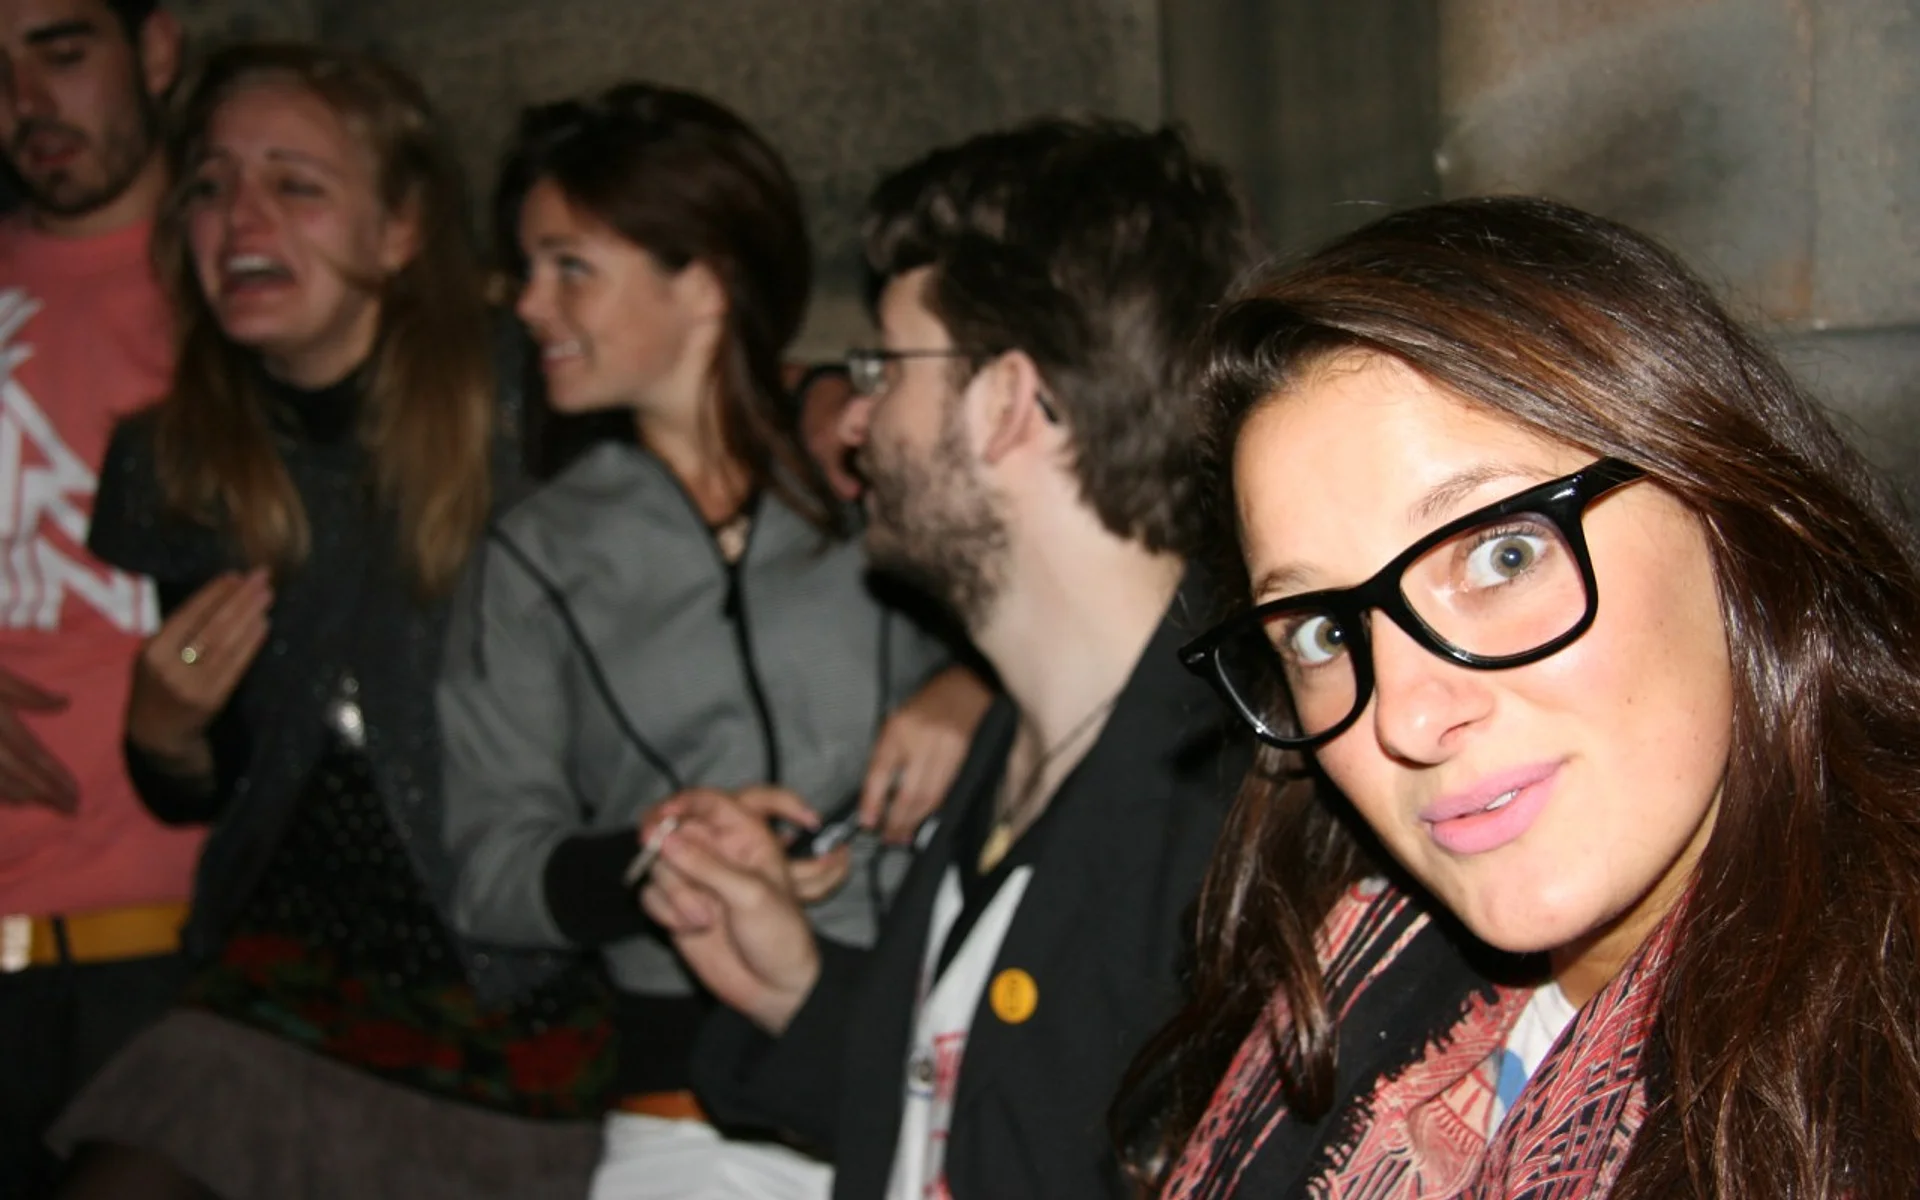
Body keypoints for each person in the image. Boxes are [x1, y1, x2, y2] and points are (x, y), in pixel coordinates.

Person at [1120, 195, 1920, 1198]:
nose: (1408, 717)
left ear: (1730, 513)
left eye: (1502, 555)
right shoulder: (1342, 978)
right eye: (1325, 631)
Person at [636, 116, 1256, 1200]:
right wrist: (797, 989)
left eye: (884, 367)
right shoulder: (1020, 734)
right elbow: (993, 1106)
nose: (854, 422)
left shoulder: (1240, 811)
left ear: (1007, 401)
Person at [50, 43, 607, 1200]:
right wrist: (163, 733)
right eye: (210, 187)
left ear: (401, 230)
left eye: (294, 185)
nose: (240, 219)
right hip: (280, 985)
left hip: (517, 988)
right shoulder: (179, 458)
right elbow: (217, 778)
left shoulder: (536, 403)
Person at [437, 84, 991, 1199]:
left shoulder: (875, 462)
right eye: (528, 269)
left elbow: (1100, 636)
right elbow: (488, 872)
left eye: (569, 266)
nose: (530, 304)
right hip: (690, 1112)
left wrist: (975, 691)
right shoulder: (534, 555)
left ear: (702, 277)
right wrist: (662, 852)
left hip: (946, 1067)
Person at [0, 1, 195, 1193]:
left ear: (155, 49)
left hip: (169, 943)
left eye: (63, 54)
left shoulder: (238, 282)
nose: (26, 103)